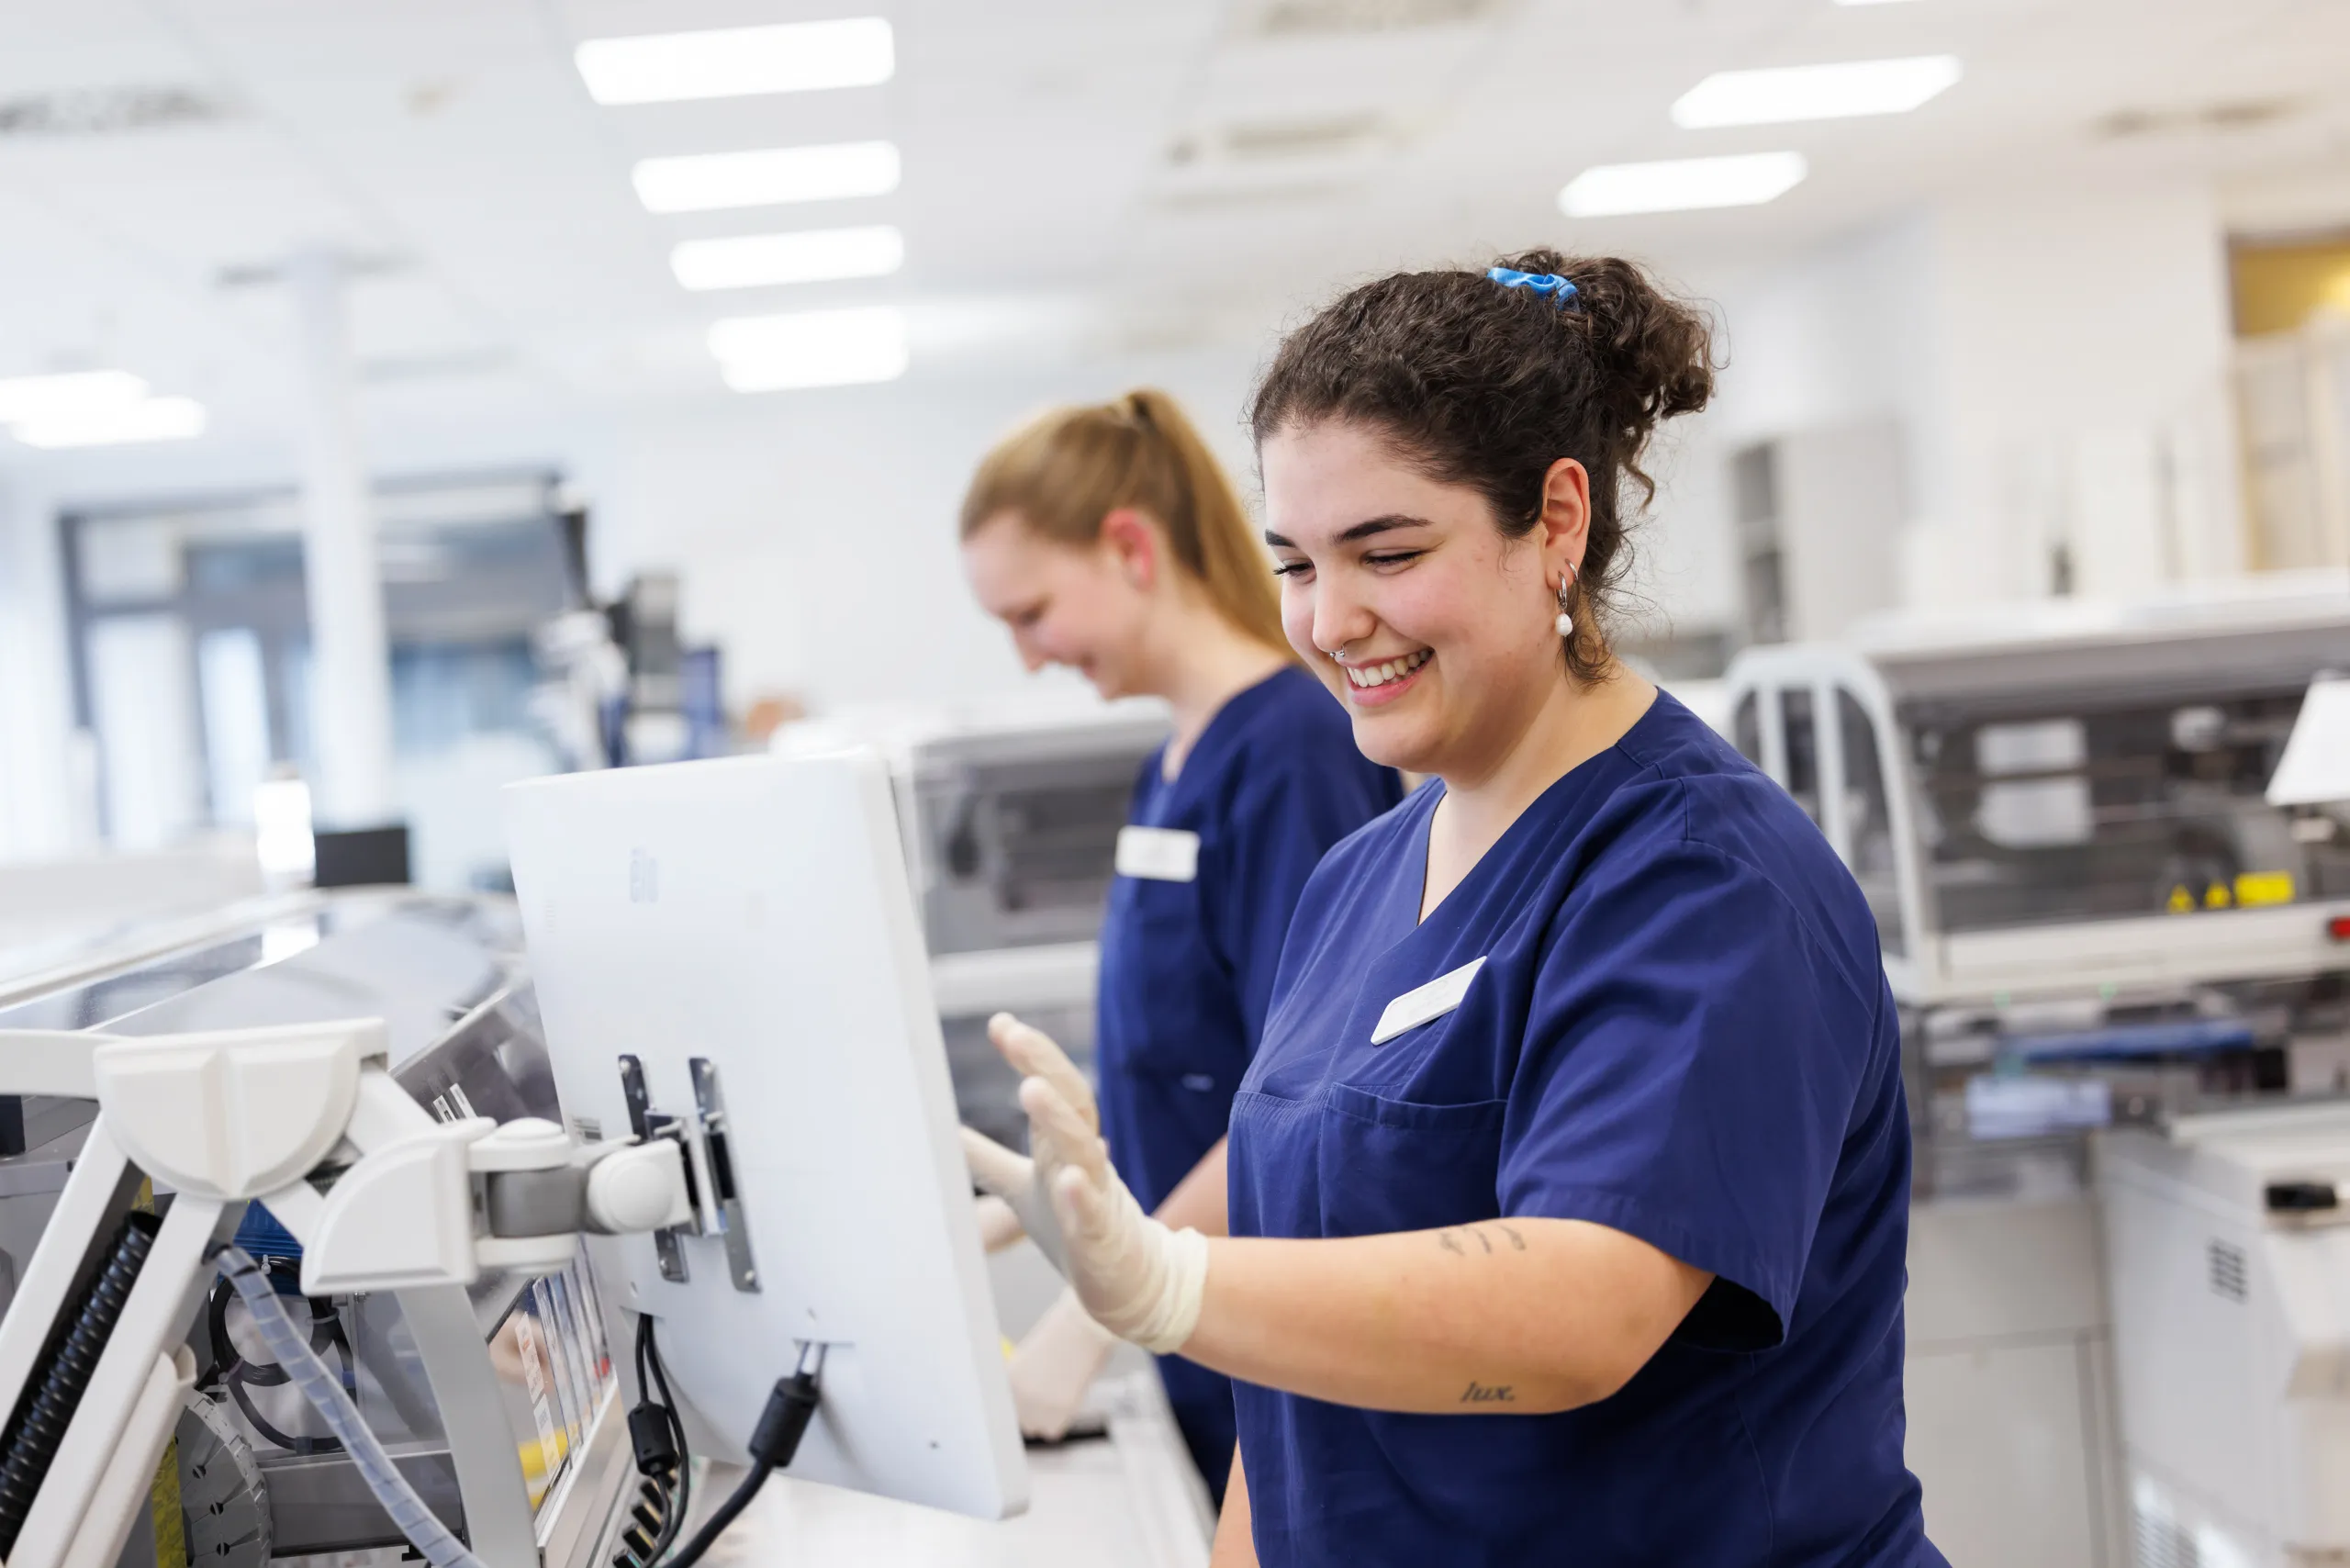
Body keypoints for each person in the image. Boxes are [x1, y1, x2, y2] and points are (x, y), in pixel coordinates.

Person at [967, 253, 1945, 1566]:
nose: (1328, 620)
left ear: (1554, 521)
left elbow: (1577, 1315)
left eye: (1387, 553)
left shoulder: (1703, 882)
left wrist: (1167, 1285)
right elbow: (1301, 1359)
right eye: (1298, 563)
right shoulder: (1358, 880)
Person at [957, 389, 1403, 1501]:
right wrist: (1062, 1199)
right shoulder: (1176, 760)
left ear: (1127, 546)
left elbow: (1304, 1092)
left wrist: (1097, 1307)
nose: (1026, 657)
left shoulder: (1292, 750)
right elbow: (1191, 1045)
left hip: (1272, 1314)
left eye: (1031, 613)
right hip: (1204, 1311)